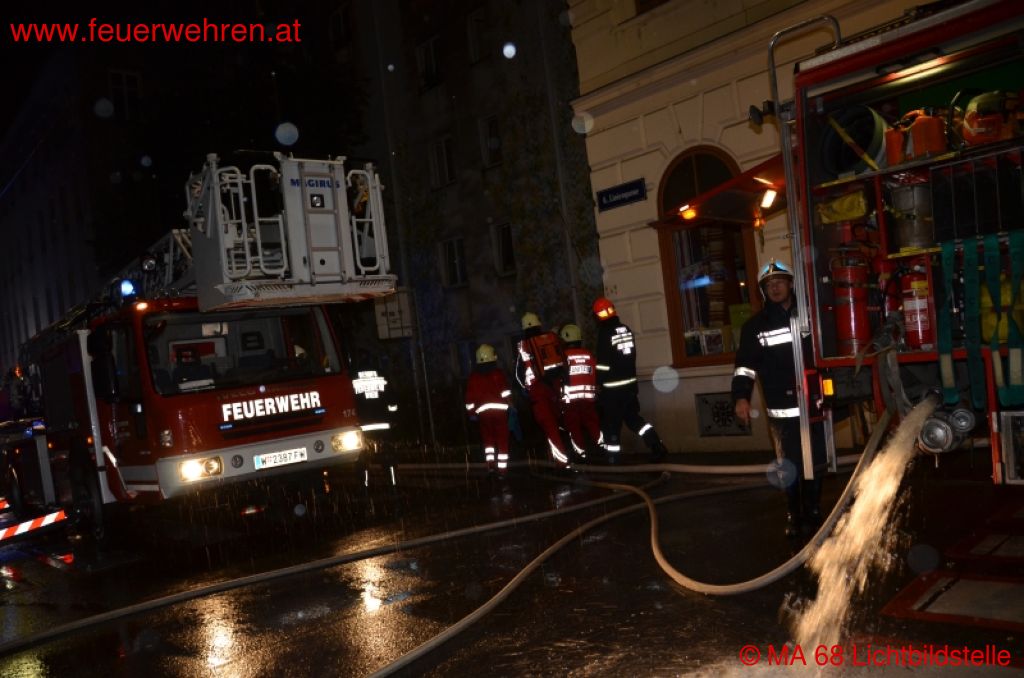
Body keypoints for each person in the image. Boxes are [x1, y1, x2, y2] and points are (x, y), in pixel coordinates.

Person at [731, 259, 827, 538]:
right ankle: (793, 515)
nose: (775, 288)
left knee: (816, 461)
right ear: (764, 291)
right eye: (769, 285)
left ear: (790, 284)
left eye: (779, 282)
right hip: (782, 413)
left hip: (813, 405)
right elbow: (745, 367)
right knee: (788, 467)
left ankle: (813, 511)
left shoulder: (810, 317)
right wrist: (741, 398)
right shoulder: (754, 327)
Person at [593, 298, 669, 464]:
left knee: (611, 425)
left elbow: (603, 365)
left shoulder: (605, 334)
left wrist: (598, 384)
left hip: (613, 391)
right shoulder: (626, 329)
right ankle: (656, 445)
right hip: (630, 387)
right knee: (634, 420)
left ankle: (613, 458)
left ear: (597, 316)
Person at [515, 311, 571, 468]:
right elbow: (564, 361)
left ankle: (562, 462)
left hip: (537, 392)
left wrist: (525, 389)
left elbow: (519, 374)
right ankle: (577, 451)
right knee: (564, 419)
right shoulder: (551, 338)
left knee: (549, 426)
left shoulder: (524, 345)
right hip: (556, 386)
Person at [351, 349, 400, 490]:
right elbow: (392, 400)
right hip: (384, 424)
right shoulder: (382, 375)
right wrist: (392, 418)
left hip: (363, 426)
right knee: (388, 455)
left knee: (362, 457)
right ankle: (392, 481)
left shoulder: (352, 377)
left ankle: (364, 485)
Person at [465, 344, 513, 477]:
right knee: (502, 440)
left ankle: (490, 466)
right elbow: (505, 392)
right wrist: (511, 404)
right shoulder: (498, 374)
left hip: (483, 414)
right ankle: (502, 470)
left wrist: (471, 413)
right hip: (500, 412)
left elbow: (470, 398)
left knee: (488, 441)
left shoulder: (474, 377)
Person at [559, 323, 602, 463]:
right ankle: (603, 447)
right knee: (593, 423)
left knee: (574, 427)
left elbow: (560, 378)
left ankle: (581, 455)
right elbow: (595, 374)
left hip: (570, 400)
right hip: (588, 398)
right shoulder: (588, 354)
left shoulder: (563, 356)